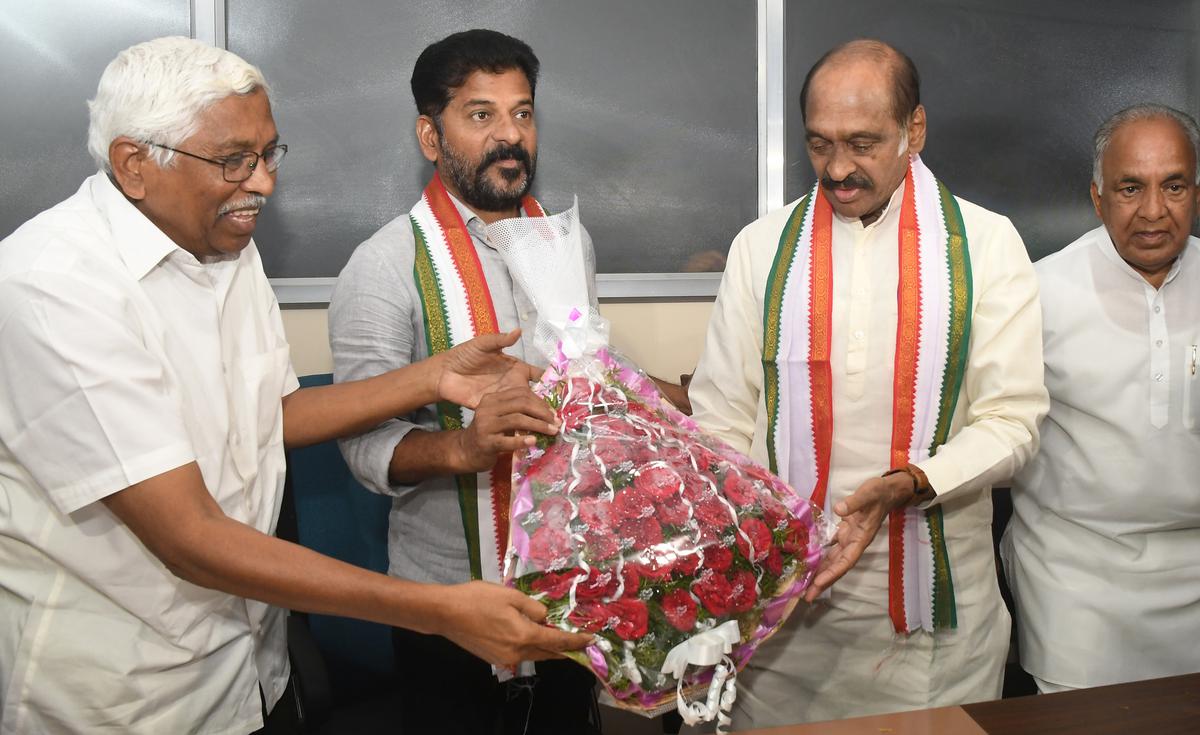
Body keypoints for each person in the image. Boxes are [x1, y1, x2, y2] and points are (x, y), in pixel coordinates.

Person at [0, 36, 590, 735]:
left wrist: (433, 374)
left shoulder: (224, 244)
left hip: (251, 667)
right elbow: (189, 536)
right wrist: (436, 607)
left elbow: (271, 415)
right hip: (126, 695)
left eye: (269, 153)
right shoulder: (53, 284)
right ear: (134, 164)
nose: (264, 184)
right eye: (234, 161)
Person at [687, 39, 1047, 727]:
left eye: (862, 142)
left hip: (934, 627)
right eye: (819, 145)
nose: (839, 168)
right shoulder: (762, 248)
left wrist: (905, 484)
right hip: (784, 621)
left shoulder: (987, 245)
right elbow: (720, 420)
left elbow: (1014, 423)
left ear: (915, 130)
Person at [329, 29, 603, 735]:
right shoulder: (383, 265)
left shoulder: (567, 243)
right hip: (446, 611)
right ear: (430, 134)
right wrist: (462, 448)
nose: (510, 136)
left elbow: (586, 373)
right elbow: (362, 450)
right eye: (481, 115)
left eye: (522, 112)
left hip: (572, 589)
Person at [1001, 104, 1200, 693]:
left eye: (1174, 186)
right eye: (1130, 188)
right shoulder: (1040, 292)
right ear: (1097, 197)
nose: (1153, 211)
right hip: (1077, 580)